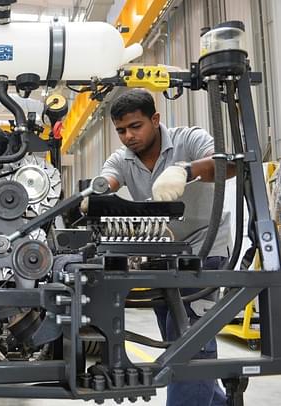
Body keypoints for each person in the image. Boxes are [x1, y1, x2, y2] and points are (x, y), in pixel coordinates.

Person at [95, 89, 233, 406]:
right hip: (163, 258)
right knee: (176, 338)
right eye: (120, 130)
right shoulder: (122, 159)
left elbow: (227, 166)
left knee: (190, 338)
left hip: (204, 250)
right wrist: (95, 193)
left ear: (155, 120)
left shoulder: (190, 140)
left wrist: (186, 170)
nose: (128, 136)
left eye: (135, 126)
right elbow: (107, 182)